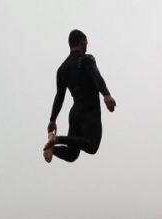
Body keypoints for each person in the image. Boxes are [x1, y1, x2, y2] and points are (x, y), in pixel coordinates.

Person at [43, 29, 117, 163]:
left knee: (72, 154)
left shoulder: (62, 69)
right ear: (82, 41)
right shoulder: (86, 59)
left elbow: (59, 96)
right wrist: (106, 95)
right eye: (86, 43)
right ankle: (57, 139)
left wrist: (52, 119)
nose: (87, 46)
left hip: (75, 113)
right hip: (89, 109)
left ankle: (52, 149)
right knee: (92, 145)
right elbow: (96, 76)